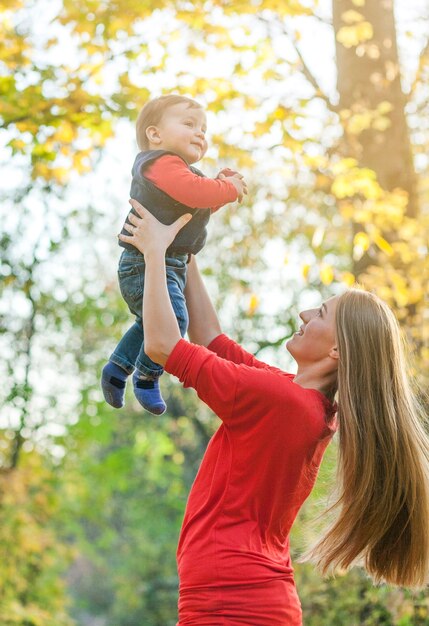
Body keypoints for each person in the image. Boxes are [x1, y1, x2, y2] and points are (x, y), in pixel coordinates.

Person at [119, 199, 429, 626]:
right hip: (240, 595)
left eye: (320, 313)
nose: (304, 313)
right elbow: (210, 337)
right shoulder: (296, 399)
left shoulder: (279, 401)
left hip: (232, 602)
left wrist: (154, 253)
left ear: (337, 350)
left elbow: (162, 345)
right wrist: (182, 249)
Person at [101, 94, 247, 415]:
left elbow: (199, 201)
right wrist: (229, 188)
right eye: (189, 124)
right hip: (145, 264)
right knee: (175, 321)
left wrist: (221, 186)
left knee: (151, 322)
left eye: (204, 129)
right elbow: (196, 193)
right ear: (155, 135)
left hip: (171, 264)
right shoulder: (160, 163)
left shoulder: (180, 171)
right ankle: (146, 377)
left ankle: (117, 369)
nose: (200, 134)